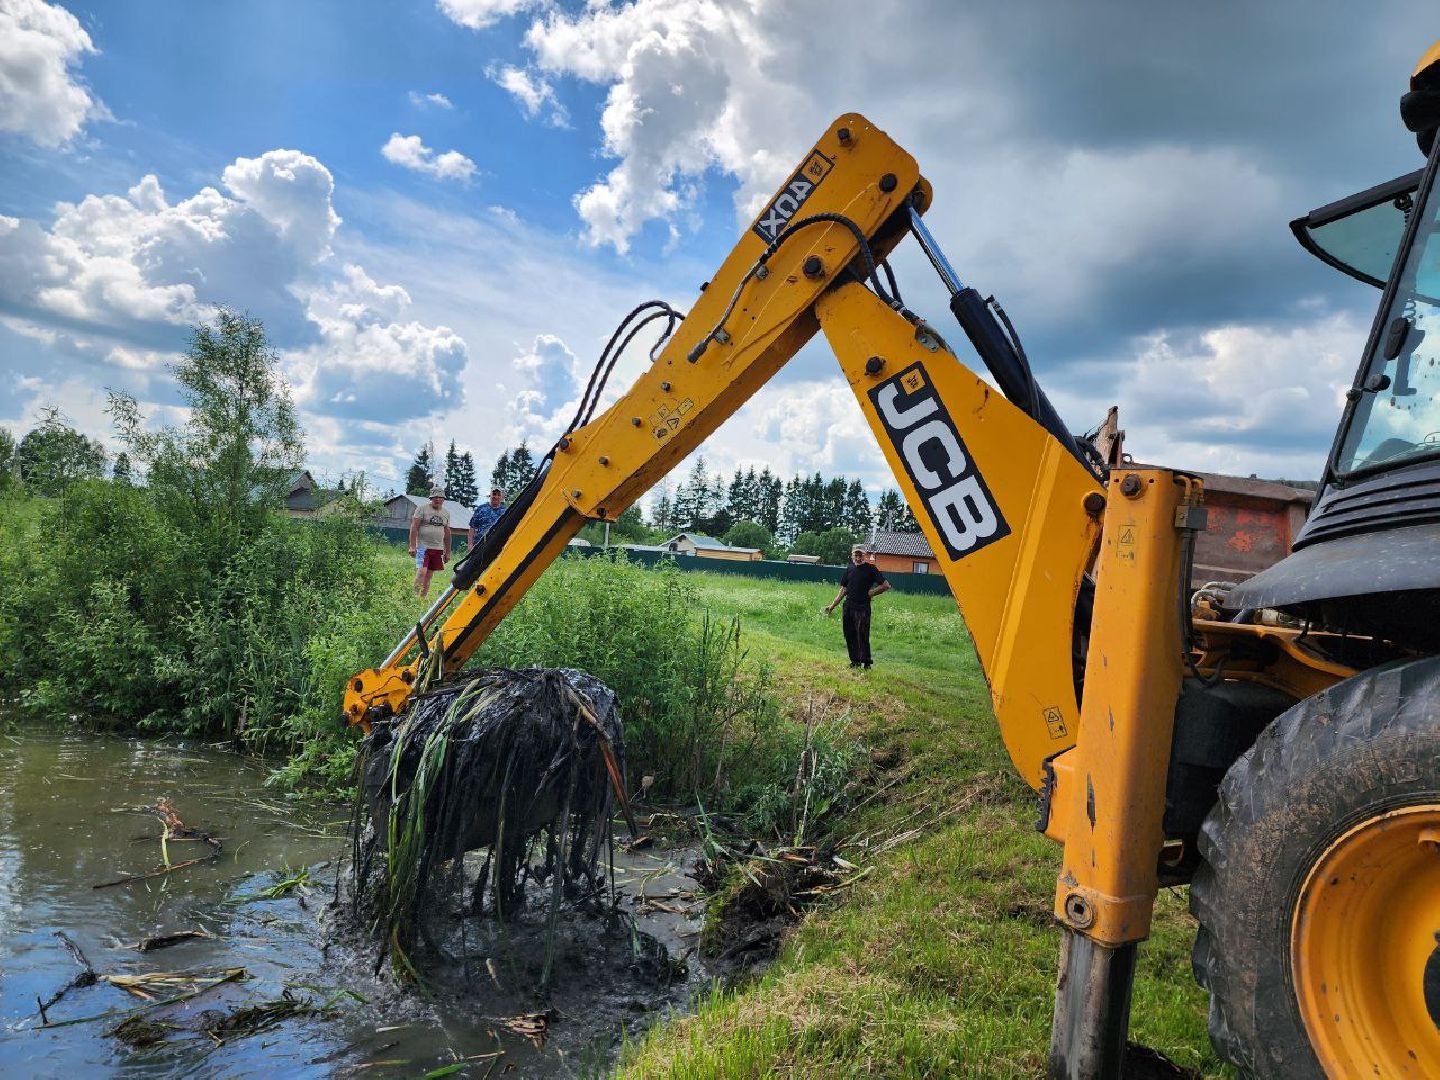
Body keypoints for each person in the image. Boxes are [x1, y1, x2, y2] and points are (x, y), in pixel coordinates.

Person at [824, 546, 891, 669]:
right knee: (849, 634)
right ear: (852, 555)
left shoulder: (871, 569)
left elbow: (886, 585)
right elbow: (844, 589)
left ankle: (866, 663)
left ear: (864, 556)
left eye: (860, 555)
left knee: (862, 635)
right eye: (856, 555)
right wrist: (832, 605)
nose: (858, 558)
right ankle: (855, 662)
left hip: (862, 608)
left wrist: (872, 592)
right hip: (848, 606)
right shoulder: (849, 569)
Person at [409, 486, 452, 599]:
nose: (438, 500)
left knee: (429, 575)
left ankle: (422, 598)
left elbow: (447, 534)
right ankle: (414, 597)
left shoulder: (446, 513)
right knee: (422, 572)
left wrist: (448, 552)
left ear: (443, 499)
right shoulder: (421, 509)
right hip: (423, 547)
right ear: (431, 498)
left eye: (440, 497)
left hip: (438, 549)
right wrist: (413, 546)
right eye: (435, 497)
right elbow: (414, 527)